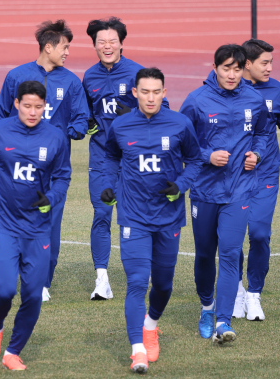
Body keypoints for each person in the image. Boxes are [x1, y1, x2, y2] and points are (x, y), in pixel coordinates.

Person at [0, 81, 71, 370]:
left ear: (45, 106)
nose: (33, 112)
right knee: (5, 289)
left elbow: (62, 177)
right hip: (2, 223)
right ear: (16, 104)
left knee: (34, 294)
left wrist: (52, 197)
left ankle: (13, 351)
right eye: (27, 106)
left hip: (38, 227)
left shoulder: (55, 137)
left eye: (38, 107)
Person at [100, 68, 203, 373]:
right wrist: (109, 184)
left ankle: (151, 323)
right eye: (144, 92)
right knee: (135, 282)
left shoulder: (180, 124)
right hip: (133, 216)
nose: (150, 97)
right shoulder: (120, 126)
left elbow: (196, 160)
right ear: (135, 93)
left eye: (156, 92)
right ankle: (137, 349)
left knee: (163, 284)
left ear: (164, 92)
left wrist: (181, 185)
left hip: (169, 217)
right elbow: (110, 157)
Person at [0, 19, 89, 302]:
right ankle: (15, 272)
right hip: (15, 166)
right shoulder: (16, 75)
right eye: (64, 47)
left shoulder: (71, 81)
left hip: (52, 168)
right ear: (48, 47)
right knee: (15, 222)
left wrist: (69, 131)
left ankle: (42, 282)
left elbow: (82, 118)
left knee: (49, 225)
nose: (68, 52)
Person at [179, 44, 269, 344]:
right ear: (215, 67)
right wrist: (207, 156)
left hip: (239, 191)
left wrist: (256, 152)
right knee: (205, 254)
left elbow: (263, 133)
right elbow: (183, 141)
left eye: (237, 68)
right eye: (226, 68)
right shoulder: (196, 100)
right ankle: (207, 308)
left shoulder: (254, 100)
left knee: (230, 254)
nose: (232, 74)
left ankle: (223, 321)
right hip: (205, 191)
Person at [83, 17, 169, 301]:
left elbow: (163, 109)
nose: (107, 47)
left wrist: (133, 115)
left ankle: (146, 275)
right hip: (102, 158)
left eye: (112, 41)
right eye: (101, 42)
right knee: (102, 214)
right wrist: (87, 123)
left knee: (139, 218)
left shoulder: (137, 74)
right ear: (94, 45)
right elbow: (85, 114)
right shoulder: (89, 77)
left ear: (122, 43)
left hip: (135, 160)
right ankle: (102, 280)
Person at [232, 39, 280, 321]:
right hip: (235, 176)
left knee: (260, 234)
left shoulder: (276, 88)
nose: (270, 68)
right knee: (233, 237)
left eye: (271, 62)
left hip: (266, 174)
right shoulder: (231, 89)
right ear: (247, 64)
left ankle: (254, 294)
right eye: (265, 62)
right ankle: (236, 291)